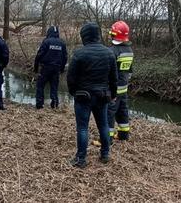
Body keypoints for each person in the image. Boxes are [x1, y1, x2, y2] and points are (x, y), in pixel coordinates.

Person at [67, 22, 117, 168]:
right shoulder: (109, 53)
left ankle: (81, 159)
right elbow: (114, 78)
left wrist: (73, 92)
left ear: (84, 36)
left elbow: (71, 77)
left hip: (83, 96)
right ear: (98, 35)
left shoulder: (79, 53)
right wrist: (113, 94)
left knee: (82, 128)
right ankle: (105, 154)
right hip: (103, 96)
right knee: (104, 125)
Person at [107, 21, 134, 142]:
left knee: (109, 112)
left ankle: (107, 138)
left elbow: (108, 72)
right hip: (124, 87)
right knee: (123, 110)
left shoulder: (112, 51)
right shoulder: (129, 50)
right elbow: (130, 71)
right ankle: (123, 135)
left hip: (113, 89)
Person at [34, 26, 67, 109]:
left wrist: (36, 67)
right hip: (56, 68)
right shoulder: (62, 43)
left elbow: (39, 55)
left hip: (45, 68)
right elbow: (65, 57)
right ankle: (55, 104)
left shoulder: (46, 42)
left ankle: (39, 104)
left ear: (49, 32)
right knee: (54, 86)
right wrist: (62, 69)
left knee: (40, 85)